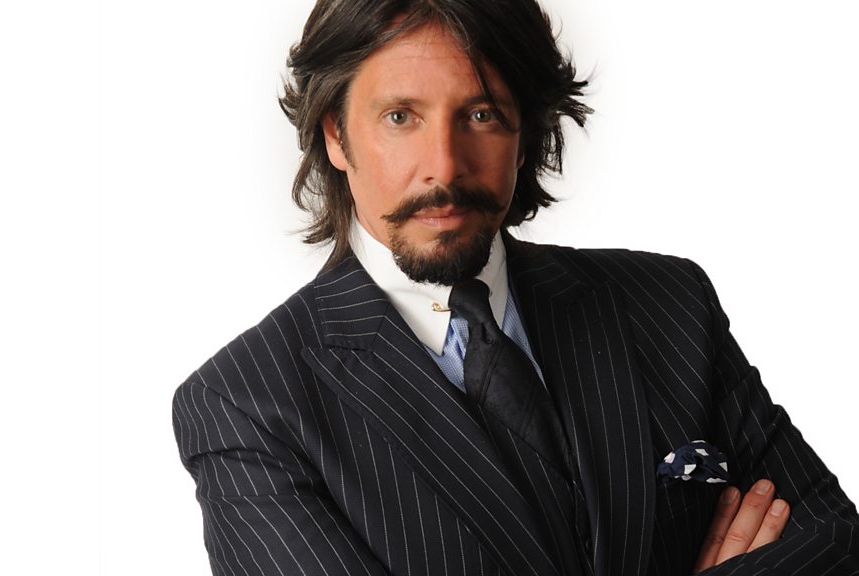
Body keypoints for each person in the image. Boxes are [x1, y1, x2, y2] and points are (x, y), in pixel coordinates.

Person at [171, 0, 859, 574]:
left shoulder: (671, 303)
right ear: (335, 136)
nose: (444, 167)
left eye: (480, 115)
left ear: (524, 134)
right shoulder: (247, 405)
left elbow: (836, 542)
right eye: (400, 117)